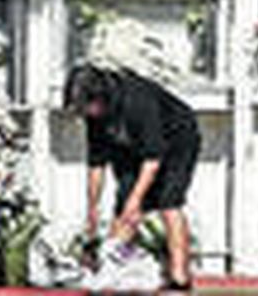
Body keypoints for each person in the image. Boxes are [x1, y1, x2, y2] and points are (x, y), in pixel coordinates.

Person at [65, 63, 200, 290]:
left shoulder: (138, 101)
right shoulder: (93, 114)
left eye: (85, 107)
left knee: (168, 202)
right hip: (133, 148)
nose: (84, 114)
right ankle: (112, 272)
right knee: (123, 207)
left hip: (177, 139)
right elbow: (96, 165)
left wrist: (136, 200)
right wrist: (92, 211)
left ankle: (180, 279)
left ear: (100, 97)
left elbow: (153, 159)